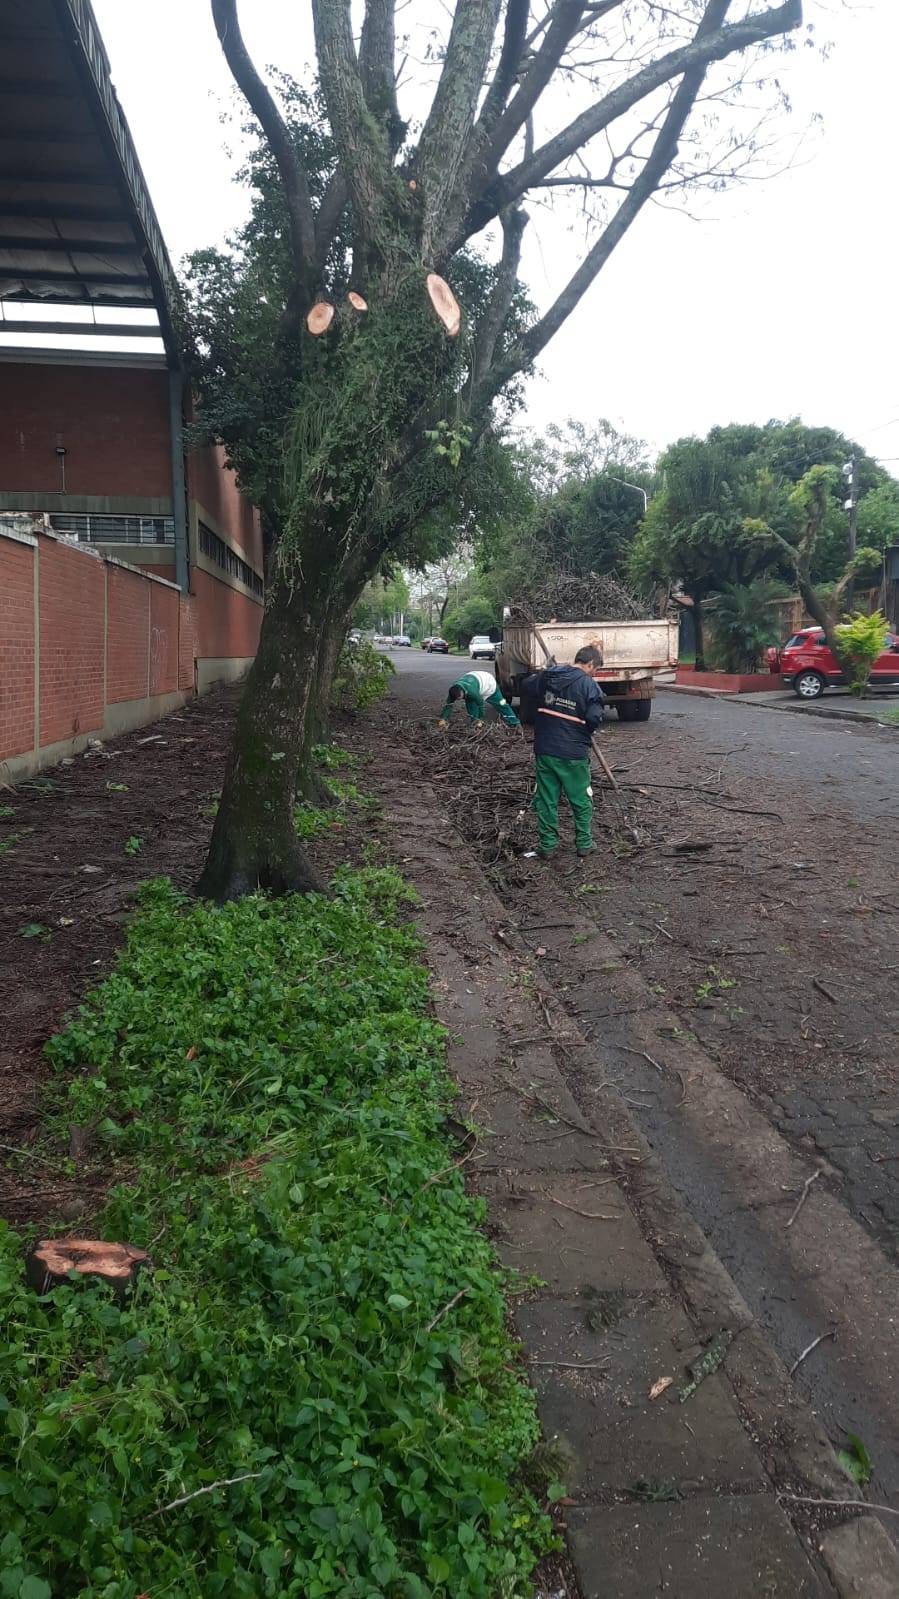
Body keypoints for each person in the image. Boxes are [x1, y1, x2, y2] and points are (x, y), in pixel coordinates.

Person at [521, 644, 606, 858]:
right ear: (589, 664)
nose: (594, 674)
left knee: (546, 799)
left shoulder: (549, 675)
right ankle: (584, 844)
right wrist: (587, 729)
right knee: (581, 799)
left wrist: (544, 673)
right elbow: (594, 717)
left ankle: (547, 846)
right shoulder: (590, 686)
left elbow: (526, 686)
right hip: (573, 752)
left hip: (545, 749)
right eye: (595, 669)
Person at [437, 668, 520, 729]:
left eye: (460, 698)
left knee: (502, 704)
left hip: (489, 684)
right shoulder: (453, 691)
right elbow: (448, 705)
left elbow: (481, 705)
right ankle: (474, 724)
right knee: (471, 706)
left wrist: (481, 719)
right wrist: (444, 719)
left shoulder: (472, 692)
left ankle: (515, 723)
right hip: (475, 679)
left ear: (462, 692)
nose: (460, 700)